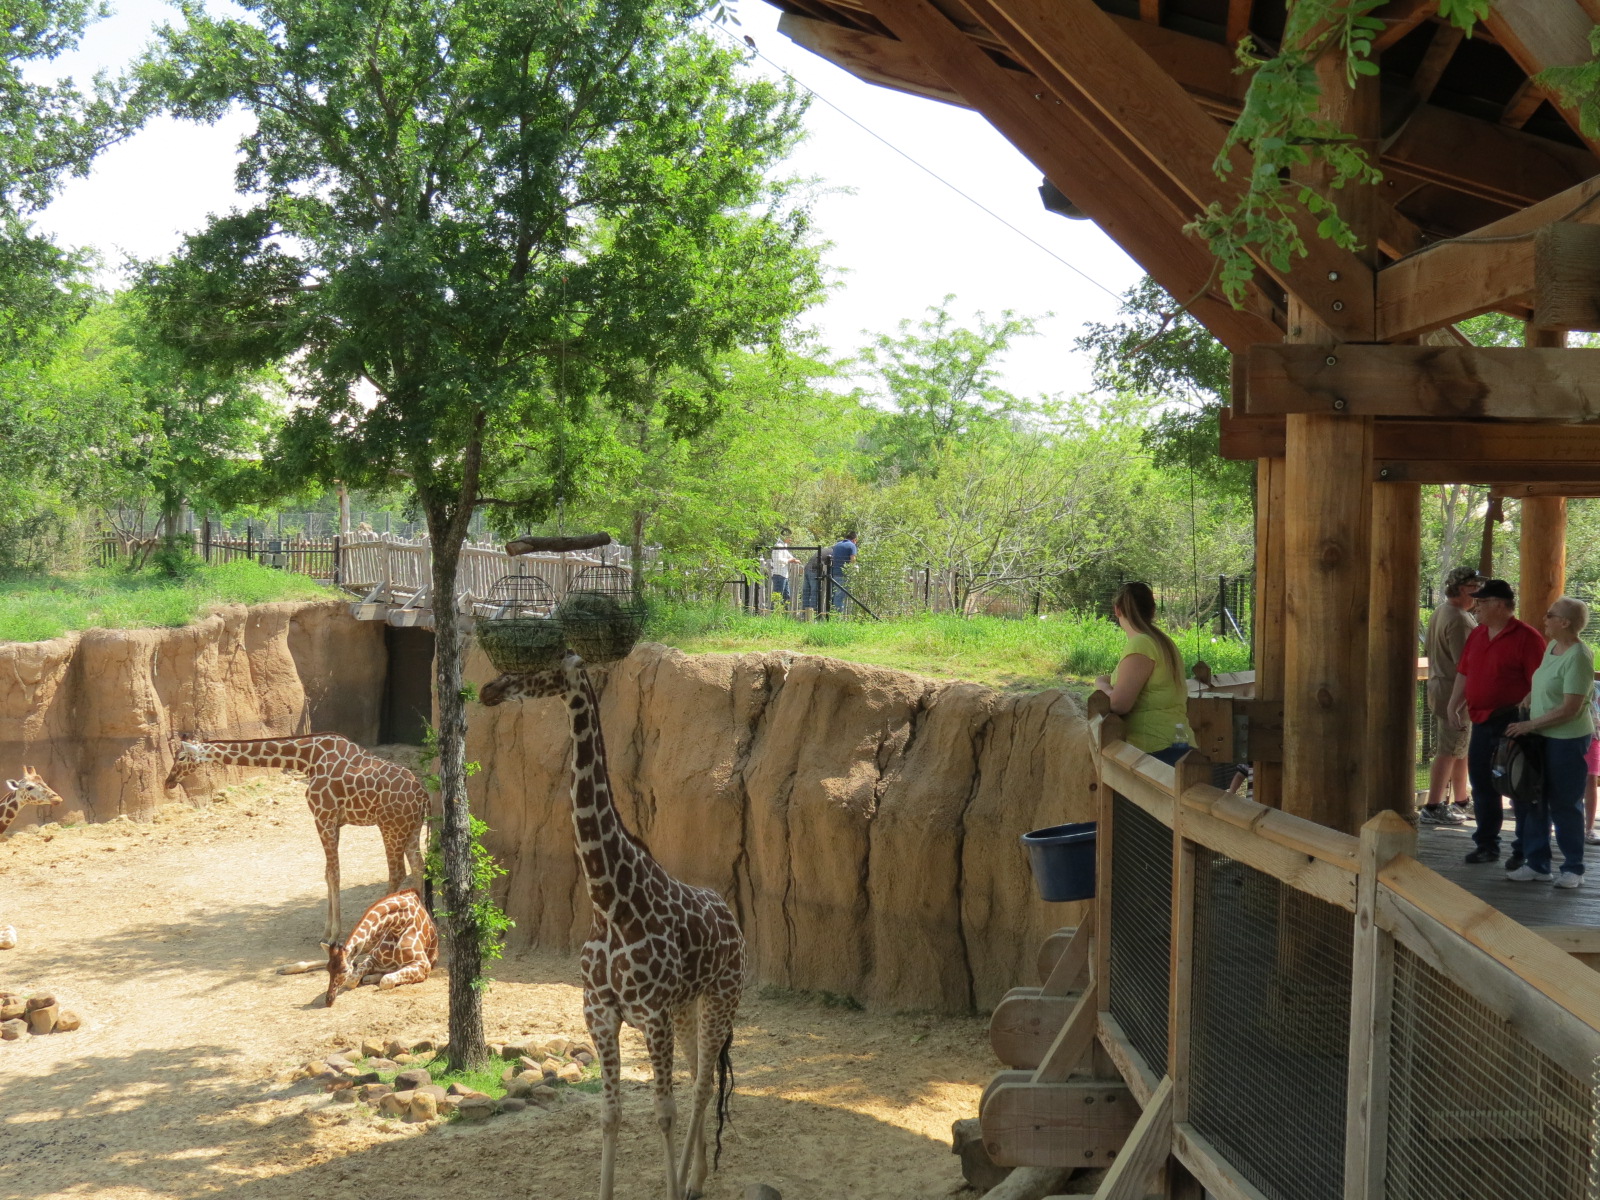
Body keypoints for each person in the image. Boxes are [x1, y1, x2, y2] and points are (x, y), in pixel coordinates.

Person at [1448, 579, 1547, 868]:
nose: (1476, 607)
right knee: (1481, 783)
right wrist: (1454, 705)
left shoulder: (1527, 637)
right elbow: (1464, 673)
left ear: (1502, 605)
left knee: (1518, 785)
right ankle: (1487, 844)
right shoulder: (1477, 634)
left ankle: (1523, 849)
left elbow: (1538, 683)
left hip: (1512, 722)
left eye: (1483, 602)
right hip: (1481, 720)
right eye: (1476, 602)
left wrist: (1524, 715)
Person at [1504, 596, 1594, 887]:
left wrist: (1529, 723)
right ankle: (1537, 863)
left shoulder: (1579, 656)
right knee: (1533, 799)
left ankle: (1573, 868)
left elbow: (1571, 707)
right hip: (1541, 736)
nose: (1545, 620)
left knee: (1565, 803)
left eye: (1549, 615)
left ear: (1564, 622)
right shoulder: (1553, 647)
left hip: (1566, 740)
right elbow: (1544, 679)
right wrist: (1530, 697)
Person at [1094, 582, 1194, 766]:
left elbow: (1119, 704)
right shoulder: (1164, 642)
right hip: (1177, 741)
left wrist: (1102, 685)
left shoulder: (1141, 644)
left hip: (1154, 749)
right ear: (1153, 610)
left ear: (1117, 610)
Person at [1420, 566, 1482, 825]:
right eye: (1474, 587)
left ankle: (1461, 801)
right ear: (1461, 588)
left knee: (1459, 748)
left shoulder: (1441, 612)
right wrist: (1461, 702)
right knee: (1448, 750)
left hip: (1440, 688)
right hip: (1454, 694)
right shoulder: (1459, 618)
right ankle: (1433, 806)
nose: (1479, 592)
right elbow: (1465, 666)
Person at [830, 531, 858, 614]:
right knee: (840, 596)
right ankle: (837, 616)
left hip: (834, 573)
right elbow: (853, 559)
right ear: (854, 539)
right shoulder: (852, 545)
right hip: (843, 574)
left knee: (835, 595)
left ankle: (833, 613)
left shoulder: (837, 544)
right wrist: (854, 569)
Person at [769, 529, 796, 610]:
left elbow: (789, 555)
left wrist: (794, 559)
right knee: (777, 597)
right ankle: (774, 614)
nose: (790, 539)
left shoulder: (784, 546)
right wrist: (790, 560)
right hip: (779, 575)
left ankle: (784, 615)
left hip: (784, 575)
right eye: (789, 537)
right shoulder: (778, 546)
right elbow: (778, 560)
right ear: (785, 536)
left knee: (786, 596)